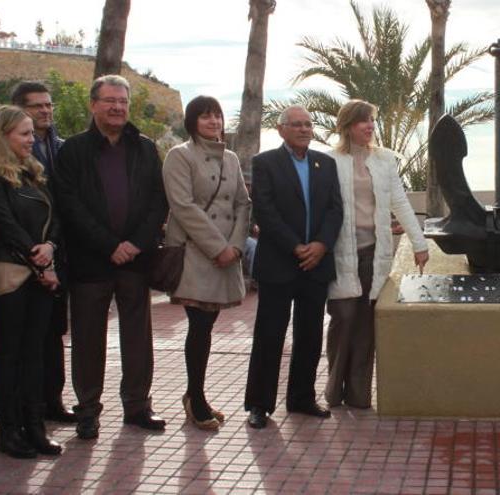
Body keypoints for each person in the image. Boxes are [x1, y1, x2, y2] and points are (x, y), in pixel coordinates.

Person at [54, 75, 169, 440]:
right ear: (93, 105)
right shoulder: (72, 151)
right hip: (91, 262)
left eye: (123, 101)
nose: (117, 107)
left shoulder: (146, 148)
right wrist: (109, 244)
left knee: (138, 337)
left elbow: (157, 201)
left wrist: (135, 242)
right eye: (109, 100)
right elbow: (69, 205)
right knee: (88, 339)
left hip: (136, 261)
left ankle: (137, 406)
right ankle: (87, 410)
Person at [325, 100, 429, 409]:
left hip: (374, 253)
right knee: (342, 319)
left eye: (371, 120)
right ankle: (333, 392)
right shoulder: (330, 161)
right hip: (341, 254)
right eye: (362, 121)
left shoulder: (384, 161)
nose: (369, 126)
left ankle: (358, 395)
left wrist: (419, 242)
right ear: (347, 126)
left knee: (366, 325)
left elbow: (400, 201)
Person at [244, 105, 343, 428]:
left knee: (310, 334)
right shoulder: (265, 163)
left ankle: (301, 398)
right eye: (296, 124)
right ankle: (259, 404)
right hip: (279, 263)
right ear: (281, 129)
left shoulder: (325, 164)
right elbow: (265, 210)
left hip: (316, 264)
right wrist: (296, 246)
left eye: (308, 124)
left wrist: (321, 245)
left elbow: (334, 210)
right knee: (270, 334)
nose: (303, 129)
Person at [162, 96, 251, 430]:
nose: (213, 122)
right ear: (192, 121)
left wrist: (237, 246)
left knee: (207, 326)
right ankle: (196, 399)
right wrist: (218, 247)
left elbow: (243, 203)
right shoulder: (179, 156)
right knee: (199, 325)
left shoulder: (230, 157)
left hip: (227, 251)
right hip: (195, 252)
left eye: (217, 116)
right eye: (205, 116)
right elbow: (183, 206)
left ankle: (195, 394)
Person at [0, 105, 63, 457]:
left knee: (35, 354)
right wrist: (38, 259)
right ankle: (9, 430)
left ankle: (35, 427)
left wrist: (50, 247)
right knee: (8, 354)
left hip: (39, 275)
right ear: (3, 136)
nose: (32, 140)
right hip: (11, 276)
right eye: (24, 134)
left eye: (33, 134)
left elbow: (55, 219)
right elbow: (4, 224)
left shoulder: (33, 173)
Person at [11, 81, 77, 424]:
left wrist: (53, 246)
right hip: (21, 259)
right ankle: (20, 406)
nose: (46, 111)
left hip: (58, 253)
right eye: (38, 106)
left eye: (49, 105)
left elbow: (63, 206)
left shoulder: (61, 149)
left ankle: (52, 400)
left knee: (53, 333)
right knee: (21, 338)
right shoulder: (8, 157)